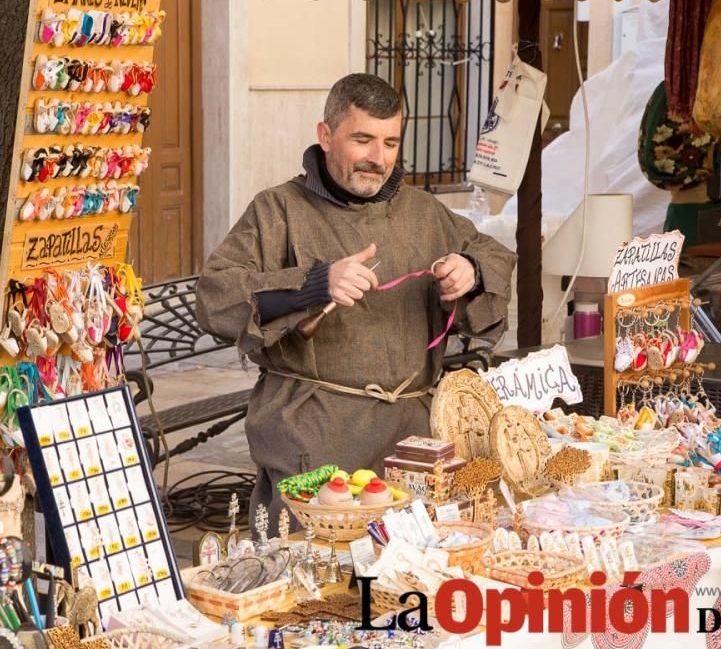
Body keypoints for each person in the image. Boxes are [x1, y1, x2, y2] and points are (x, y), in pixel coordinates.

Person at [195, 73, 516, 528]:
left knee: (405, 577)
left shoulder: (424, 212)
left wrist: (472, 270)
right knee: (313, 578)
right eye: (362, 139)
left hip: (413, 439)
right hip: (315, 433)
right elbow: (215, 296)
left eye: (390, 142)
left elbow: (491, 253)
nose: (377, 158)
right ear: (325, 136)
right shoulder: (278, 209)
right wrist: (316, 283)